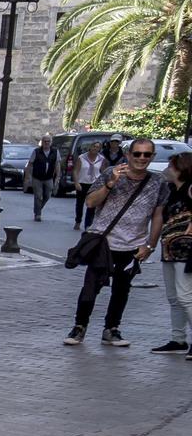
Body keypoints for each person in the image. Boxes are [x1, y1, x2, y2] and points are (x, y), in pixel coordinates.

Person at [64, 139, 165, 348]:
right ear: (128, 155)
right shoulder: (111, 172)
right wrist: (111, 183)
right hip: (104, 242)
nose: (141, 158)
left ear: (152, 157)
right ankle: (79, 326)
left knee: (121, 290)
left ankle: (111, 329)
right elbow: (90, 202)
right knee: (91, 287)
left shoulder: (158, 181)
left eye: (147, 155)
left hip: (133, 246)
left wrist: (150, 245)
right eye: (137, 154)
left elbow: (158, 216)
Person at [152, 152, 192, 356]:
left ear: (180, 168)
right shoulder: (170, 190)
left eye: (170, 165)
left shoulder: (190, 188)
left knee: (186, 296)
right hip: (168, 249)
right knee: (174, 298)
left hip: (187, 250)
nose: (167, 169)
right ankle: (178, 340)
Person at [72, 141, 106, 229]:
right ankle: (78, 221)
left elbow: (103, 172)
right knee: (80, 204)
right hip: (82, 183)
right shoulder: (82, 158)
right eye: (94, 146)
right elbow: (75, 171)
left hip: (94, 184)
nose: (95, 148)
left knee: (91, 205)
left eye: (98, 147)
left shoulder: (101, 159)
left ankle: (88, 225)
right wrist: (76, 183)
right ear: (90, 147)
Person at [28, 136, 59, 219]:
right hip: (37, 177)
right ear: (42, 142)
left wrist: (57, 177)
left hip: (48, 177)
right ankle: (38, 214)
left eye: (48, 141)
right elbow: (30, 164)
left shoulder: (55, 152)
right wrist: (29, 177)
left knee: (47, 195)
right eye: (45, 141)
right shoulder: (37, 151)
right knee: (38, 196)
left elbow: (57, 164)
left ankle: (38, 209)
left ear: (51, 142)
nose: (46, 143)